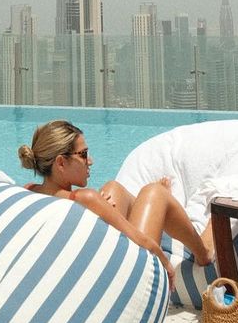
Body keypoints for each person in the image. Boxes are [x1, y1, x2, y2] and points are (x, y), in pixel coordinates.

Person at [17, 119, 215, 286]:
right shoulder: (84, 198)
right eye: (83, 155)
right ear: (61, 163)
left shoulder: (28, 191)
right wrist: (166, 264)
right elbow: (144, 243)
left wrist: (99, 208)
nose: (90, 161)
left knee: (113, 188)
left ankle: (158, 212)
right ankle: (203, 252)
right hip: (125, 280)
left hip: (86, 269)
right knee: (154, 193)